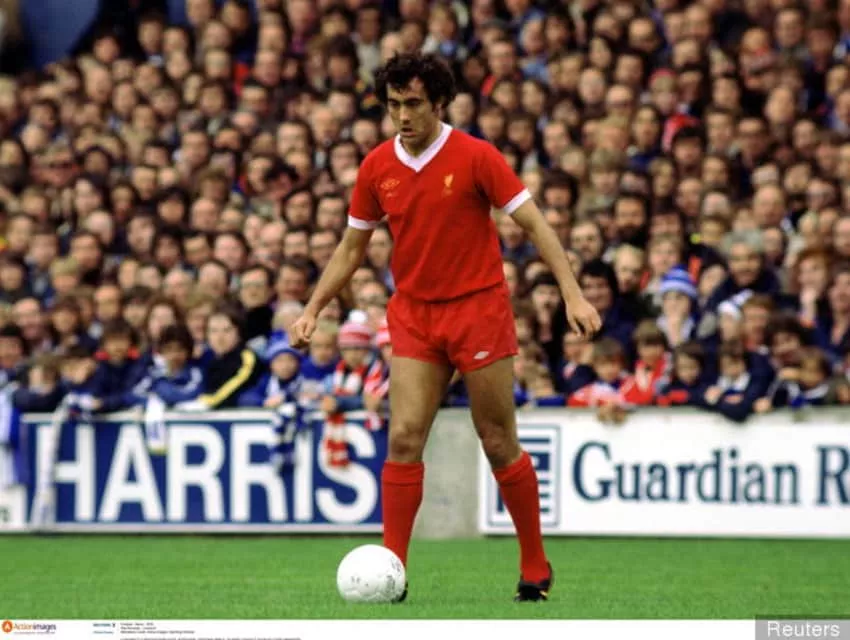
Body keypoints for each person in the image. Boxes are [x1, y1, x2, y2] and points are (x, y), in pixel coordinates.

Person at [291, 52, 601, 603]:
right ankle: (393, 573)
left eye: (413, 104)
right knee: (403, 437)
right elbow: (352, 247)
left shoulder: (477, 156)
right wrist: (313, 307)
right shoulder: (376, 167)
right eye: (393, 105)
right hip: (414, 314)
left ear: (439, 102)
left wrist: (573, 293)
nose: (402, 115)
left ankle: (534, 563)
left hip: (477, 309)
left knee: (497, 438)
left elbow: (536, 226)